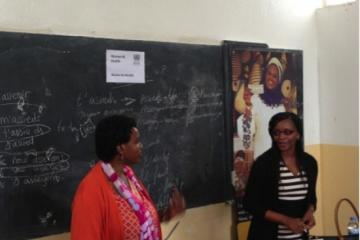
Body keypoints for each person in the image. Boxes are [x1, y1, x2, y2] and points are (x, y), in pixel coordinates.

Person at [71, 115, 185, 240]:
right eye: (136, 142)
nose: (141, 146)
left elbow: (138, 219)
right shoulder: (90, 191)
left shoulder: (128, 176)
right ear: (121, 148)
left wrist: (166, 214)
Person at [243, 112, 318, 239]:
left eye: (288, 132)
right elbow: (250, 204)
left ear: (298, 134)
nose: (281, 137)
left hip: (298, 236)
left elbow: (311, 197)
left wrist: (310, 211)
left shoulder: (309, 163)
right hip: (266, 235)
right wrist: (286, 220)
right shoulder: (263, 164)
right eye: (276, 133)